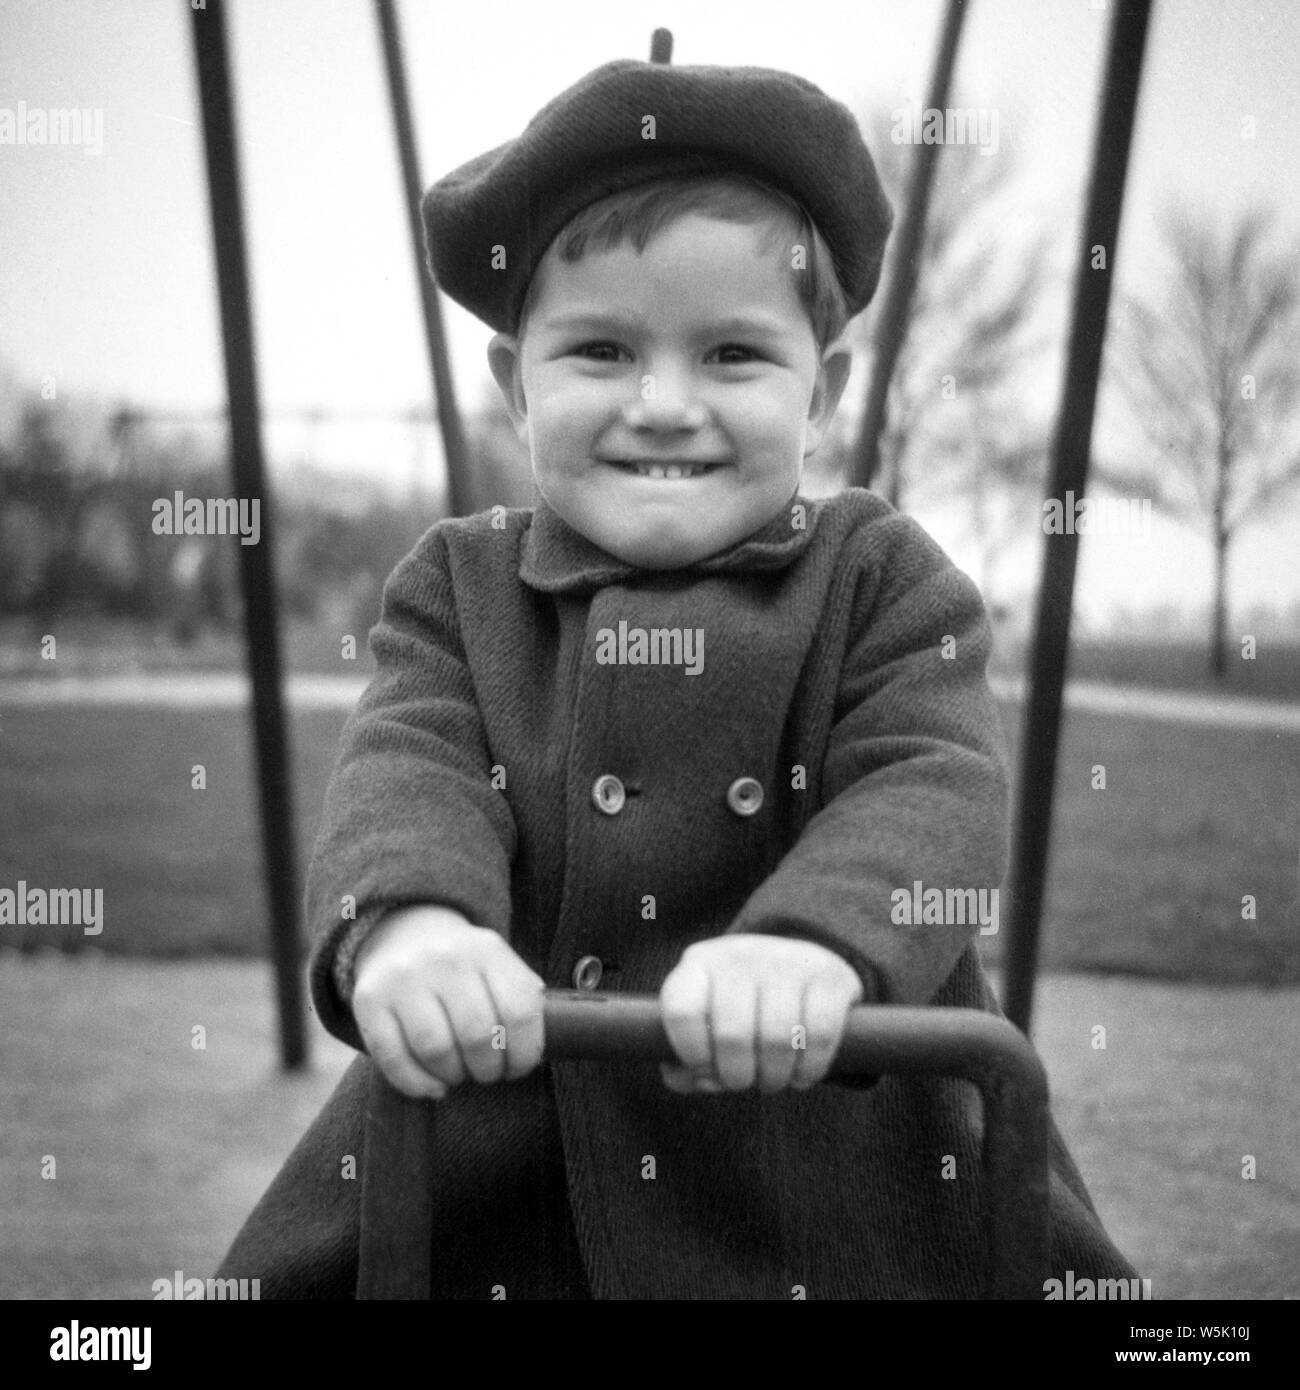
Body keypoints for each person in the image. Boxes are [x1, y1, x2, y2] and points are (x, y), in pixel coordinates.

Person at [218, 52, 1138, 1299]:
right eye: (599, 351)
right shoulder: (460, 586)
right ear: (514, 384)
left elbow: (935, 781)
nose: (662, 404)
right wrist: (408, 920)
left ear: (824, 390)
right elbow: (408, 762)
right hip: (511, 1157)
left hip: (839, 1162)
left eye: (731, 357)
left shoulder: (879, 577)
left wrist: (819, 946)